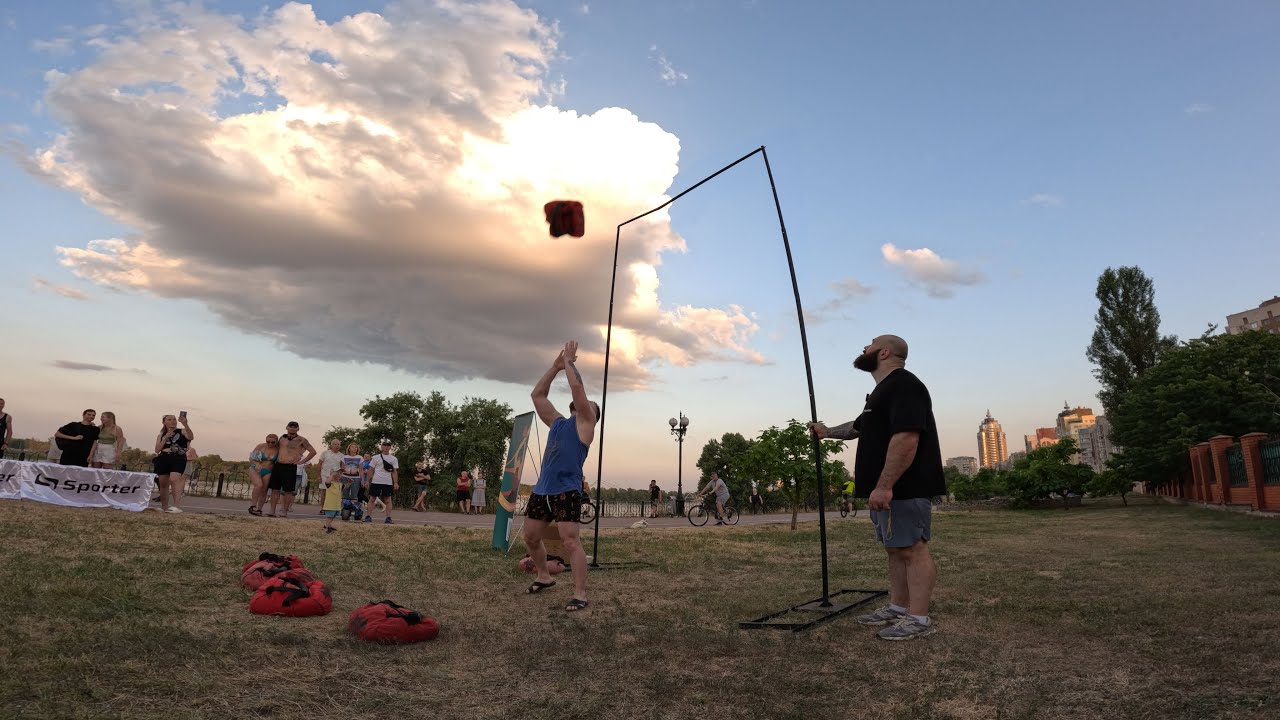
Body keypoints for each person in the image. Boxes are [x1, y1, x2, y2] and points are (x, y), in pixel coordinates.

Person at [810, 335, 946, 641]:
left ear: (884, 352)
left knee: (913, 549)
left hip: (905, 487)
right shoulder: (880, 394)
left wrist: (885, 486)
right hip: (884, 490)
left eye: (870, 344)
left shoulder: (905, 385)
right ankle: (898, 608)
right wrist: (826, 432)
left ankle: (919, 619)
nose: (863, 348)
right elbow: (858, 428)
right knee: (895, 549)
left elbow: (907, 438)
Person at [523, 340, 600, 613]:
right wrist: (555, 367)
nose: (583, 402)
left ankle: (580, 594)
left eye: (589, 404)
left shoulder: (585, 425)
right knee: (530, 537)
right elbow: (538, 396)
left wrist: (569, 360)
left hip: (566, 490)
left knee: (570, 542)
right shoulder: (557, 422)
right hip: (543, 490)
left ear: (592, 413)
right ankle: (544, 576)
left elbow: (578, 388)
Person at [269, 421, 316, 519]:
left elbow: (313, 452)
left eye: (295, 427)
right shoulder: (282, 437)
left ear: (298, 429)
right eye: (291, 426)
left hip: (290, 467)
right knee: (275, 489)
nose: (292, 428)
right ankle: (272, 511)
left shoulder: (302, 440)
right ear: (287, 427)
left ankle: (284, 512)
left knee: (288, 491)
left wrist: (302, 461)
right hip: (278, 465)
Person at [153, 413, 193, 513]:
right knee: (163, 483)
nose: (172, 421)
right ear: (164, 422)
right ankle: (164, 507)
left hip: (178, 457)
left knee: (174, 479)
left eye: (174, 419)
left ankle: (176, 506)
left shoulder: (182, 431)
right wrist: (165, 437)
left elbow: (191, 437)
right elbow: (157, 450)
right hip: (164, 457)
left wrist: (185, 424)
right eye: (169, 419)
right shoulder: (161, 435)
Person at [363, 440, 399, 524]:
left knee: (388, 500)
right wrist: (367, 481)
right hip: (376, 481)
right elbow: (371, 469)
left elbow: (394, 472)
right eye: (384, 445)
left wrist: (396, 483)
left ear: (390, 447)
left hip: (388, 482)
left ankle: (388, 518)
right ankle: (368, 516)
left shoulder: (393, 459)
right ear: (381, 447)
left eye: (388, 445)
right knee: (372, 499)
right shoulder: (376, 457)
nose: (386, 447)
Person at [248, 434, 279, 516]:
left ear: (276, 441)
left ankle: (259, 509)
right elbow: (251, 458)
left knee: (264, 489)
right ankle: (253, 506)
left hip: (268, 470)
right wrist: (256, 463)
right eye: (268, 441)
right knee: (258, 485)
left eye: (273, 442)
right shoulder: (260, 446)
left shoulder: (278, 449)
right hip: (255, 468)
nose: (270, 444)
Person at [315, 439, 344, 515]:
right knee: (323, 493)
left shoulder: (341, 455)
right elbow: (319, 464)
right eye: (335, 444)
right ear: (331, 445)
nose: (337, 446)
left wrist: (340, 476)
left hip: (335, 477)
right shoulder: (325, 453)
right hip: (324, 475)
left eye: (338, 444)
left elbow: (342, 467)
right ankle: (322, 509)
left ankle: (333, 509)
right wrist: (318, 476)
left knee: (334, 493)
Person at [320, 455, 343, 534]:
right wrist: (332, 475)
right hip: (330, 504)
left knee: (333, 515)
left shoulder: (339, 483)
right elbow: (327, 482)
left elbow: (344, 488)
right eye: (338, 473)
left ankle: (328, 525)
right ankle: (328, 527)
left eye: (341, 473)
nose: (340, 474)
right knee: (330, 516)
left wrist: (349, 483)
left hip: (336, 504)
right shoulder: (330, 482)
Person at [340, 443, 365, 519]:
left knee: (354, 495)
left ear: (357, 449)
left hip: (356, 478)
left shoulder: (360, 457)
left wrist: (362, 480)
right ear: (349, 448)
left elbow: (361, 470)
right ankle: (345, 510)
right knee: (345, 494)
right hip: (345, 477)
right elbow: (342, 468)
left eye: (356, 447)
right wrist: (344, 473)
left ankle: (355, 511)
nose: (354, 448)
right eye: (352, 447)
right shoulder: (344, 457)